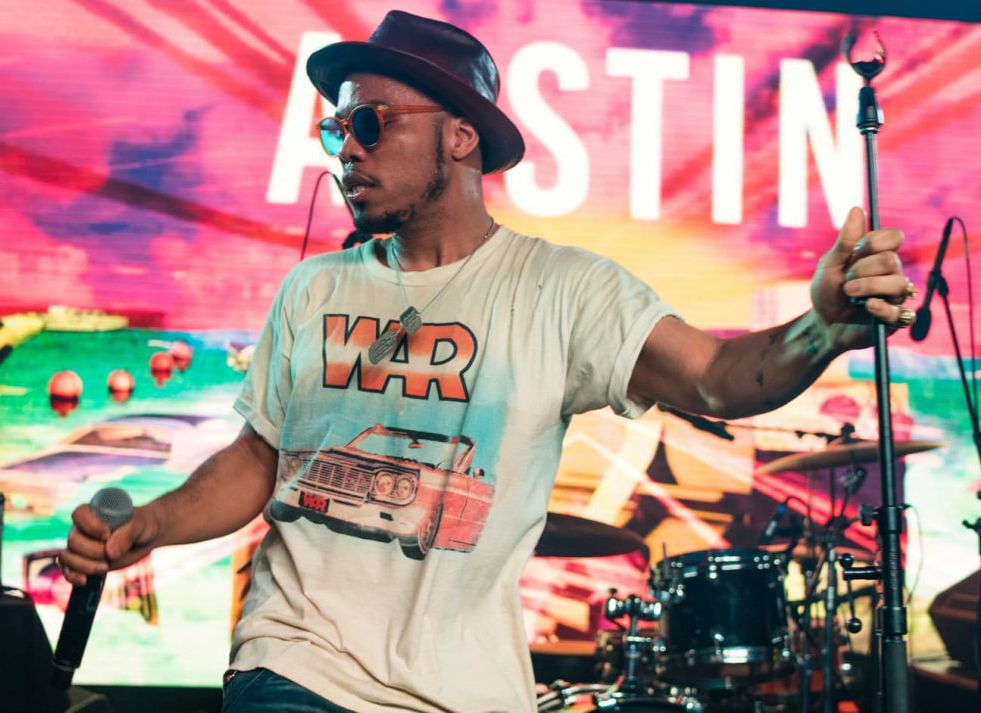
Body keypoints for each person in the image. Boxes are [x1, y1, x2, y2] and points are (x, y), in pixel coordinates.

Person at [59, 10, 916, 713]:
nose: (345, 149)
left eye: (370, 122)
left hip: (470, 689)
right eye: (336, 128)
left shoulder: (562, 289)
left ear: (462, 135)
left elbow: (716, 379)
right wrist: (150, 525)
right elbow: (258, 457)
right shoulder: (312, 290)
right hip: (296, 666)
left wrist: (823, 326)